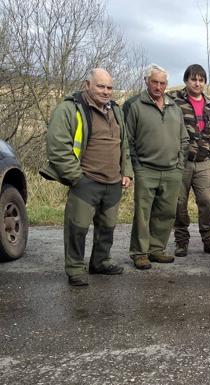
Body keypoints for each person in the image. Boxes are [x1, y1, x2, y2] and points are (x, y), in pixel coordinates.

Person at [40, 68, 133, 286]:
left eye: (109, 87)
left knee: (107, 228)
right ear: (87, 85)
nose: (106, 91)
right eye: (101, 86)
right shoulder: (69, 109)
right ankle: (75, 269)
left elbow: (125, 144)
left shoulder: (116, 111)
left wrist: (126, 172)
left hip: (113, 182)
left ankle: (100, 262)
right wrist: (76, 177)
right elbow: (57, 147)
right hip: (85, 180)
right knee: (77, 229)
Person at [124, 64, 189, 270]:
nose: (158, 86)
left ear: (166, 84)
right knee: (143, 213)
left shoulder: (174, 107)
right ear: (146, 81)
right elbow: (127, 140)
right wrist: (135, 168)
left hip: (171, 170)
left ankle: (156, 249)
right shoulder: (134, 105)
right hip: (146, 169)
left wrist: (179, 166)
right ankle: (140, 253)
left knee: (166, 212)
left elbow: (184, 139)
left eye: (162, 83)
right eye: (154, 82)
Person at [168, 64, 210, 258]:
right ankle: (181, 242)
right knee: (179, 203)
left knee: (206, 202)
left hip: (204, 162)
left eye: (201, 80)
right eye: (193, 79)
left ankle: (209, 241)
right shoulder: (174, 100)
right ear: (186, 80)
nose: (197, 83)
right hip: (181, 162)